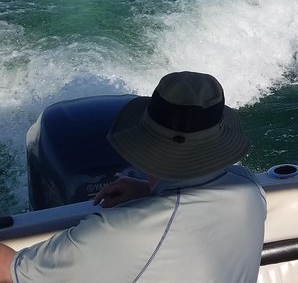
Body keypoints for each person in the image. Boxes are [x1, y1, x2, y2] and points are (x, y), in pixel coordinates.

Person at [0, 71, 267, 283]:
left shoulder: (120, 232)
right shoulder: (249, 187)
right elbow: (192, 217)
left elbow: (12, 273)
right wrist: (148, 189)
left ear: (144, 140)